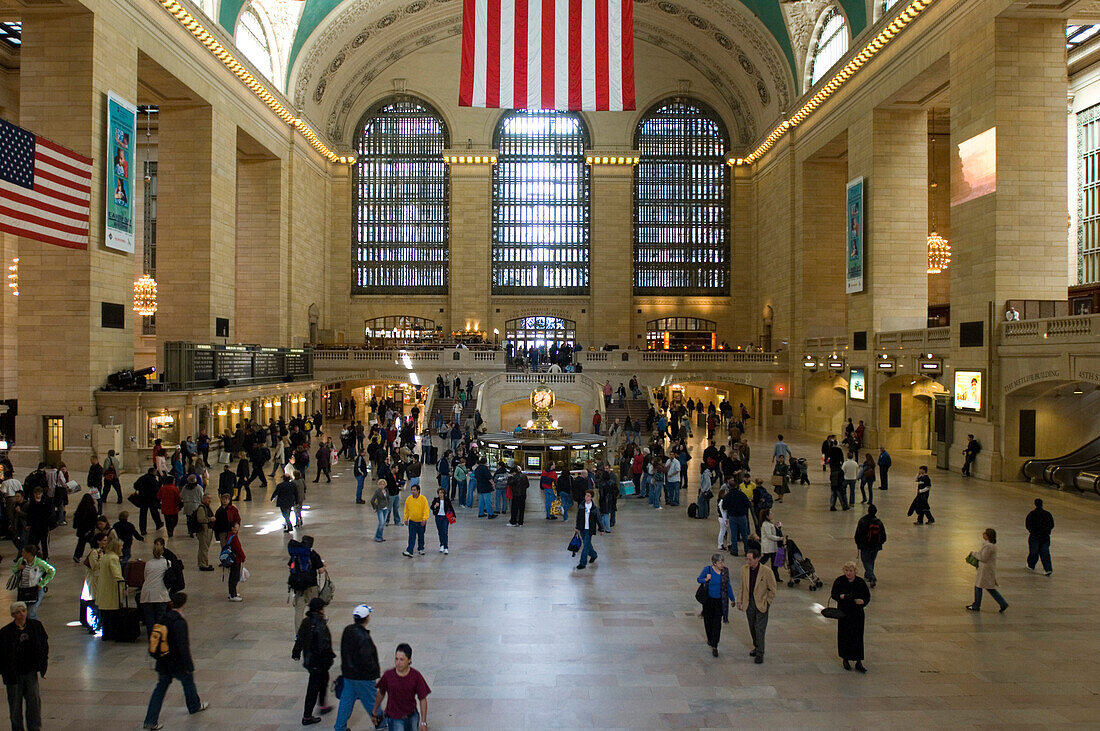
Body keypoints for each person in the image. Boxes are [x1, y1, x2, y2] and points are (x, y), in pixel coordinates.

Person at [141, 592, 208, 729]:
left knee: (159, 690)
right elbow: (183, 646)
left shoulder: (163, 618)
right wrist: (188, 665)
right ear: (183, 604)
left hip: (163, 662)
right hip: (176, 663)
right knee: (188, 681)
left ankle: (150, 720)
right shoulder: (179, 622)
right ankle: (194, 706)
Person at [0, 601, 48, 731]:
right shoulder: (5, 633)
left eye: (23, 611)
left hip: (30, 671)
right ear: (13, 615)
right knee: (15, 705)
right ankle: (17, 728)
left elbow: (43, 644)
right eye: (17, 612)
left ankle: (34, 727)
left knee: (34, 702)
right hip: (13, 675)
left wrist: (42, 662)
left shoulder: (35, 626)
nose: (21, 614)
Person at [334, 604, 381, 731]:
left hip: (349, 675)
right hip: (363, 677)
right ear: (366, 619)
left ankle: (340, 727)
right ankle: (382, 725)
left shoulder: (348, 630)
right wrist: (373, 672)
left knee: (346, 701)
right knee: (372, 702)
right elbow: (366, 660)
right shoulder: (364, 637)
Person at [292, 597, 335, 725]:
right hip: (319, 663)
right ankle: (307, 716)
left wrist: (296, 653)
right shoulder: (320, 624)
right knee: (313, 687)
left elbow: (299, 639)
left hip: (311, 661)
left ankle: (322, 705)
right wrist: (330, 657)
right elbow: (324, 646)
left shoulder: (306, 622)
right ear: (320, 609)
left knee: (323, 681)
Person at [372, 643, 431, 731]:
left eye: (402, 659)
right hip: (394, 718)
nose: (398, 663)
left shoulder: (416, 676)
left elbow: (423, 699)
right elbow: (381, 693)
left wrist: (423, 722)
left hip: (412, 716)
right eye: (396, 659)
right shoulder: (388, 675)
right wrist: (375, 711)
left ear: (409, 660)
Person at [737, 548, 777, 664]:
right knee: (752, 627)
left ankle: (760, 653)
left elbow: (773, 589)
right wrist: (739, 600)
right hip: (749, 603)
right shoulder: (744, 570)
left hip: (761, 603)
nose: (748, 562)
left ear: (757, 559)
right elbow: (742, 587)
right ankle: (756, 646)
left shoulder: (766, 571)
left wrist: (767, 601)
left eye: (750, 559)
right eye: (747, 559)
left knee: (760, 629)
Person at [830, 561, 870, 672]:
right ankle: (845, 658)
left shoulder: (860, 582)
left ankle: (858, 660)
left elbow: (867, 596)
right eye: (846, 571)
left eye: (851, 571)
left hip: (857, 614)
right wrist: (841, 597)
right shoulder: (840, 581)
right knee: (844, 635)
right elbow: (834, 594)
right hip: (844, 613)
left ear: (855, 571)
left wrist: (863, 602)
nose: (848, 573)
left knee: (857, 636)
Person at [697, 553, 734, 657]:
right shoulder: (708, 570)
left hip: (720, 601)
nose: (722, 564)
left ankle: (715, 644)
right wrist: (705, 579)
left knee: (717, 623)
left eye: (723, 562)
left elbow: (728, 585)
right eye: (720, 562)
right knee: (708, 621)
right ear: (714, 563)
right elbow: (698, 579)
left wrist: (732, 598)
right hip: (709, 601)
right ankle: (710, 638)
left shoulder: (725, 572)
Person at [966, 528, 1008, 612]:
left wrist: (974, 554)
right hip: (987, 569)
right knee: (989, 588)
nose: (983, 534)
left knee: (979, 586)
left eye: (985, 533)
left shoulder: (988, 546)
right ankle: (1002, 603)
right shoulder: (989, 545)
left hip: (985, 570)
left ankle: (976, 605)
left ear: (988, 536)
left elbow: (983, 558)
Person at [10, 545, 55, 620]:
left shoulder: (39, 563)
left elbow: (52, 571)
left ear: (29, 554)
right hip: (22, 590)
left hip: (35, 590)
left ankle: (36, 628)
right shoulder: (21, 560)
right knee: (21, 614)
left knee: (30, 613)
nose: (22, 553)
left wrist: (42, 583)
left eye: (23, 552)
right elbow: (14, 569)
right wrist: (18, 568)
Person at [92, 537, 124, 642]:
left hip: (103, 590)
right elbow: (116, 575)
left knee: (105, 615)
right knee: (112, 615)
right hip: (111, 590)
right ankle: (113, 634)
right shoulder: (113, 558)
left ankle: (105, 635)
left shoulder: (105, 557)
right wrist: (124, 585)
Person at [141, 539, 171, 638]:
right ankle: (160, 637)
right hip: (160, 593)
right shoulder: (167, 563)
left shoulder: (148, 563)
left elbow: (145, 576)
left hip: (147, 593)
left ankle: (152, 637)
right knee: (160, 617)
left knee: (149, 618)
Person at [853, 504, 886, 588]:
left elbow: (857, 534)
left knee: (866, 562)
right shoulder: (878, 522)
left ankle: (872, 577)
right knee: (871, 561)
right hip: (876, 546)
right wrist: (880, 543)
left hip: (865, 546)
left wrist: (858, 544)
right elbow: (884, 536)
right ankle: (867, 576)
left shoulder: (863, 521)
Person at [573, 489, 604, 570]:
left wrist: (601, 529)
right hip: (582, 528)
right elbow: (578, 517)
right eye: (586, 495)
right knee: (587, 544)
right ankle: (593, 555)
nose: (586, 497)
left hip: (589, 529)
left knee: (586, 545)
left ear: (591, 497)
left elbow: (599, 519)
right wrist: (577, 527)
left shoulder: (594, 508)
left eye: (588, 496)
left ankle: (582, 563)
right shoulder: (581, 506)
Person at [1025, 498, 1054, 575]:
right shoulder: (1047, 514)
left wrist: (1032, 531)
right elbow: (1052, 524)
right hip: (1045, 536)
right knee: (1045, 551)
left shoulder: (1032, 514)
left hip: (1035, 536)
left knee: (1034, 551)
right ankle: (1048, 568)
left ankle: (1031, 564)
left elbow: (1028, 525)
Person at [402, 484, 429, 558]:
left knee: (421, 536)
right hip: (412, 521)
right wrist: (406, 518)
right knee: (411, 536)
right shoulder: (409, 499)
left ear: (418, 490)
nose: (413, 491)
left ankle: (421, 548)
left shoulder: (423, 499)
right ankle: (410, 550)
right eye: (412, 490)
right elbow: (406, 510)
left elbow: (426, 510)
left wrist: (424, 519)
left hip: (420, 521)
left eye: (414, 490)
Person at [758, 509, 784, 582]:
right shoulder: (766, 525)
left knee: (773, 562)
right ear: (767, 516)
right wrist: (779, 538)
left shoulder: (768, 524)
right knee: (766, 560)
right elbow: (769, 535)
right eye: (771, 514)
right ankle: (755, 567)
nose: (772, 515)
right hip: (769, 546)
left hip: (771, 546)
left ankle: (776, 577)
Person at [194, 493, 216, 571]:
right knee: (204, 548)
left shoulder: (207, 507)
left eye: (210, 498)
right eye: (208, 498)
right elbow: (200, 519)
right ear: (203, 499)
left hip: (208, 530)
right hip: (204, 531)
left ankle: (203, 563)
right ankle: (203, 564)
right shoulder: (202, 508)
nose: (209, 500)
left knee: (204, 548)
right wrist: (210, 519)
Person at [430, 487, 455, 554]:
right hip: (438, 517)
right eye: (439, 493)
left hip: (445, 517)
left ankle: (446, 547)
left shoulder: (447, 500)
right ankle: (442, 545)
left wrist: (453, 516)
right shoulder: (436, 500)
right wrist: (435, 506)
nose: (440, 494)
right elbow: (431, 507)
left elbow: (451, 507)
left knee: (445, 531)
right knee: (440, 531)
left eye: (441, 493)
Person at [224, 522, 245, 601]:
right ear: (232, 528)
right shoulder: (234, 537)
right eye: (236, 527)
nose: (238, 528)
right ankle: (233, 594)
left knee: (232, 576)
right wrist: (243, 557)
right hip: (236, 559)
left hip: (232, 559)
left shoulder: (229, 536)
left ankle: (232, 592)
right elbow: (238, 548)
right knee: (235, 577)